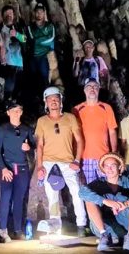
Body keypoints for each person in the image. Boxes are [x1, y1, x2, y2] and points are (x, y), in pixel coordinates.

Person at [36, 86, 87, 237]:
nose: (54, 101)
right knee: (52, 195)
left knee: (77, 192)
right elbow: (39, 145)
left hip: (68, 162)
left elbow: (80, 140)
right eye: (50, 99)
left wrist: (77, 161)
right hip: (48, 162)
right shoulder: (42, 121)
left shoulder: (70, 118)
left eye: (56, 98)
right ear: (46, 102)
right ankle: (55, 224)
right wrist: (40, 166)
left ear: (60, 101)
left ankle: (81, 225)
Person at [79, 152, 129, 252]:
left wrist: (127, 203)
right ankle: (104, 236)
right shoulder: (99, 183)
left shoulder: (127, 182)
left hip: (123, 224)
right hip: (103, 226)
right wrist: (106, 201)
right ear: (103, 169)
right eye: (106, 166)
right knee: (89, 199)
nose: (109, 168)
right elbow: (82, 192)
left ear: (119, 168)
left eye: (113, 165)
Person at [0, 99, 35, 242]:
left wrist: (29, 147)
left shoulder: (26, 129)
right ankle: (3, 230)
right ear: (8, 112)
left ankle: (18, 230)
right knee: (5, 198)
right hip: (8, 168)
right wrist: (3, 168)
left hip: (22, 168)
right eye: (13, 110)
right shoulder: (3, 128)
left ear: (22, 112)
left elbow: (34, 145)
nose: (16, 113)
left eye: (18, 110)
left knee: (19, 200)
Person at [72, 78, 117, 184]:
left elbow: (112, 131)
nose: (92, 89)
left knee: (107, 188)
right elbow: (73, 134)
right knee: (90, 190)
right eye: (89, 86)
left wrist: (114, 153)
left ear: (99, 90)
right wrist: (75, 156)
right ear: (84, 90)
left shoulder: (106, 108)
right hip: (85, 157)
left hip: (104, 156)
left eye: (95, 86)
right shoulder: (76, 110)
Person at [26, 3, 55, 97]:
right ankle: (36, 100)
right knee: (33, 79)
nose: (39, 14)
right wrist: (43, 39)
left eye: (41, 12)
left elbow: (51, 39)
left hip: (45, 56)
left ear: (44, 13)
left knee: (45, 78)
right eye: (37, 12)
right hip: (33, 56)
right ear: (34, 13)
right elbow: (30, 40)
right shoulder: (30, 27)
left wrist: (37, 40)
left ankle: (47, 98)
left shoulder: (50, 26)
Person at [0, 5, 26, 100]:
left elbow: (25, 39)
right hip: (8, 63)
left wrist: (17, 34)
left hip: (20, 63)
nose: (9, 15)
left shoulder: (19, 27)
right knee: (9, 88)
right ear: (3, 16)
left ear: (14, 15)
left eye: (10, 13)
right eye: (6, 13)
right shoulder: (0, 29)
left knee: (20, 88)